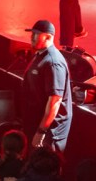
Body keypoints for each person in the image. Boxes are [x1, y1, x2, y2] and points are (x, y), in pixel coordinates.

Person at [21, 20, 73, 151]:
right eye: (32, 33)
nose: (31, 37)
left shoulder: (53, 62)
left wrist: (41, 131)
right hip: (37, 122)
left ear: (48, 37)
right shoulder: (40, 55)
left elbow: (55, 101)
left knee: (45, 161)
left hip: (50, 132)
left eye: (36, 34)